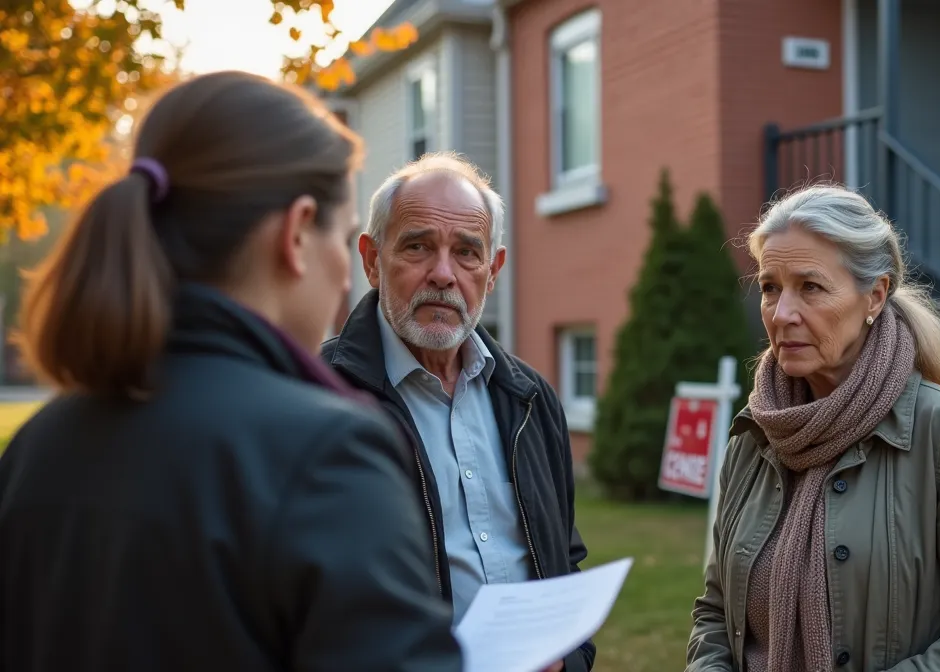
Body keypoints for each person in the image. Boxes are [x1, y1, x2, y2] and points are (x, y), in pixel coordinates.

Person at [0, 72, 462, 671]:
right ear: (297, 233)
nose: (346, 279)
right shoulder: (328, 454)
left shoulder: (37, 446)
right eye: (344, 239)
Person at [686, 185, 940, 672]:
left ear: (874, 295)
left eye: (810, 287)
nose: (782, 313)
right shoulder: (755, 434)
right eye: (771, 287)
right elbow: (715, 612)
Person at [322, 152, 592, 672]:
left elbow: (564, 559)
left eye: (467, 253)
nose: (443, 275)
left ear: (492, 271)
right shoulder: (324, 397)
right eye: (418, 246)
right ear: (372, 259)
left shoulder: (530, 399)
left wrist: (572, 660)